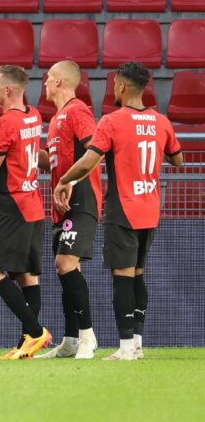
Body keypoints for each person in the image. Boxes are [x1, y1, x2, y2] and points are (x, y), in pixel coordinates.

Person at [53, 62, 182, 361]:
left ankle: (125, 348)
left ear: (122, 87)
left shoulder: (112, 121)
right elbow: (177, 160)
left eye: (114, 84)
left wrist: (64, 179)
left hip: (124, 208)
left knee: (122, 278)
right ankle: (136, 343)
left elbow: (89, 161)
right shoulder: (161, 121)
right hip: (151, 208)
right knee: (138, 275)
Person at [0, 65, 51, 360]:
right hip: (33, 206)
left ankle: (36, 330)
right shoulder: (34, 114)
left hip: (12, 208)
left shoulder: (6, 122)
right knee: (27, 277)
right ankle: (25, 346)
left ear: (7, 90)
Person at [35, 61, 101, 359]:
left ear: (59, 82)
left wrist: (70, 179)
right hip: (60, 205)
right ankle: (71, 341)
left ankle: (88, 337)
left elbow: (94, 150)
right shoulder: (55, 120)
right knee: (67, 271)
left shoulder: (78, 111)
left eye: (48, 79)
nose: (45, 83)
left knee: (64, 264)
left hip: (82, 199)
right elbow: (54, 162)